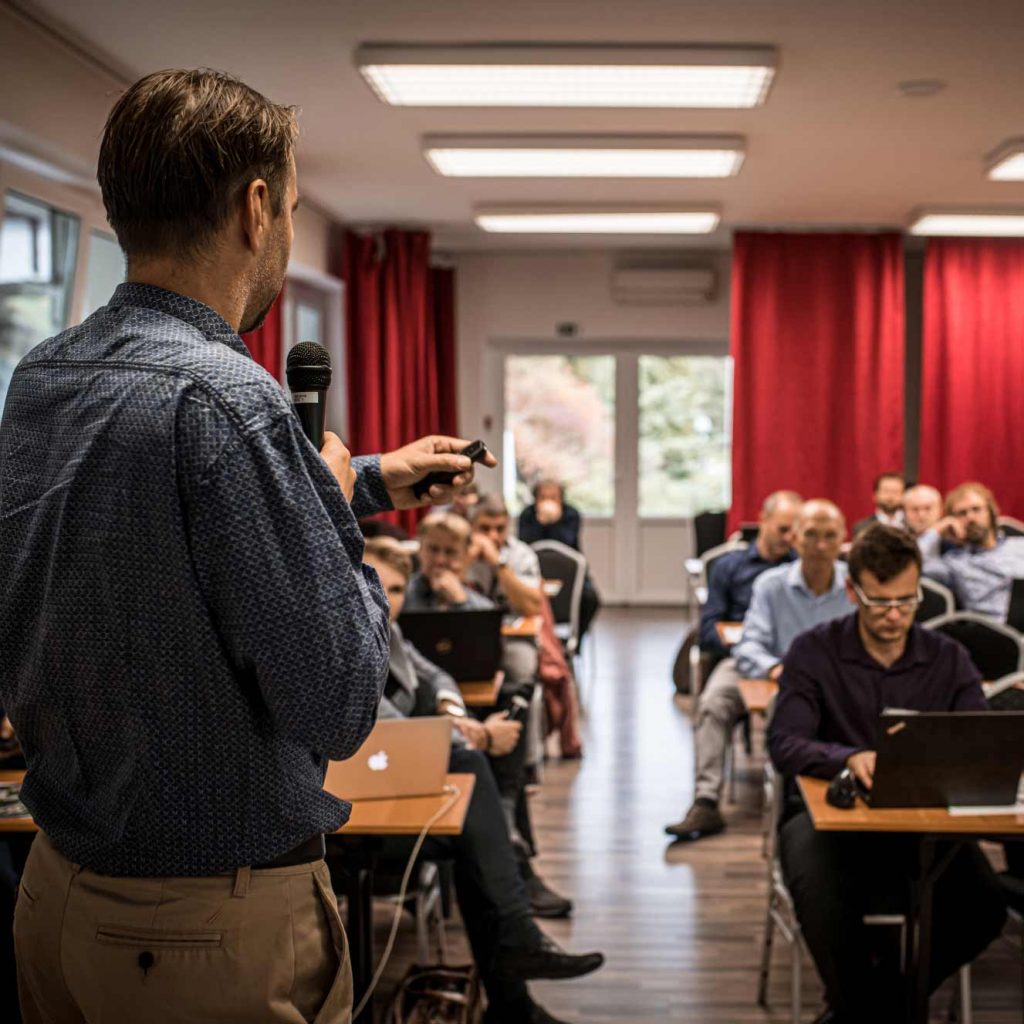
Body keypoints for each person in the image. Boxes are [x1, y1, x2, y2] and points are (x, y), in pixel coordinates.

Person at [0, 69, 495, 1024]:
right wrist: (332, 508)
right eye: (298, 207)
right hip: (200, 936)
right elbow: (341, 701)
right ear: (257, 207)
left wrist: (359, 477)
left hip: (55, 900)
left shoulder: (43, 377)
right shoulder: (229, 398)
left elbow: (149, 531)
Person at [768, 525, 1006, 1024]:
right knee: (825, 900)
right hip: (827, 826)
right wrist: (848, 757)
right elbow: (784, 742)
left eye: (907, 599)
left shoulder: (947, 658)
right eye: (880, 602)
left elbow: (981, 736)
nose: (895, 614)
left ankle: (879, 1007)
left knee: (984, 907)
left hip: (925, 825)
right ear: (852, 592)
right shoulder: (814, 651)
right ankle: (878, 1007)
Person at [358, 539, 601, 1024]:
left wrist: (451, 710)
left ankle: (514, 981)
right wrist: (478, 734)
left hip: (390, 782)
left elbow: (436, 676)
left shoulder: (388, 629)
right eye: (380, 588)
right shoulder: (345, 639)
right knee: (473, 777)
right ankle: (516, 969)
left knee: (475, 835)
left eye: (401, 589)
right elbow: (380, 722)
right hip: (353, 816)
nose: (390, 600)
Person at [403, 514, 564, 913]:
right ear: (419, 550)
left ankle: (510, 845)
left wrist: (457, 601)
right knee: (492, 758)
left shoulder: (472, 600)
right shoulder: (399, 595)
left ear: (465, 558)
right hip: (419, 719)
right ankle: (514, 858)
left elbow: (488, 643)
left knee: (507, 722)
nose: (440, 560)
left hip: (464, 706)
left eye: (450, 553)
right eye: (433, 550)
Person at [665, 499, 851, 842]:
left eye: (830, 536)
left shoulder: (853, 588)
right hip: (764, 667)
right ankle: (706, 801)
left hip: (829, 680)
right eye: (811, 535)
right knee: (713, 701)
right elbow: (749, 643)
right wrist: (776, 668)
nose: (820, 546)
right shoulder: (770, 584)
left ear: (843, 541)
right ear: (797, 538)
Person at [697, 490, 801, 668]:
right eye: (783, 529)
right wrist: (749, 645)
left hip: (793, 658)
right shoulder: (728, 566)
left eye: (795, 532)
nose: (788, 538)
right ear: (764, 519)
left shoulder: (801, 568)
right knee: (716, 696)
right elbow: (707, 633)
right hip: (739, 657)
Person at [923, 481, 1024, 620]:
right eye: (962, 513)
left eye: (976, 509)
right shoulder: (953, 563)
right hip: (997, 633)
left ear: (990, 512)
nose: (970, 518)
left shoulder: (1019, 545)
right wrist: (936, 530)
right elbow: (914, 565)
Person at [518, 479, 601, 640]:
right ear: (536, 499)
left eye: (553, 497)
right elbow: (526, 545)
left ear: (561, 499)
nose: (548, 501)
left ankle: (574, 643)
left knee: (591, 599)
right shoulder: (527, 515)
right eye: (543, 497)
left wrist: (553, 521)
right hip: (534, 574)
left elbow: (566, 543)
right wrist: (541, 522)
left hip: (571, 576)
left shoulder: (571, 514)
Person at [852, 472, 906, 537]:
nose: (890, 497)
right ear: (875, 495)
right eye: (886, 491)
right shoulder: (862, 528)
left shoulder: (912, 526)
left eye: (895, 492)